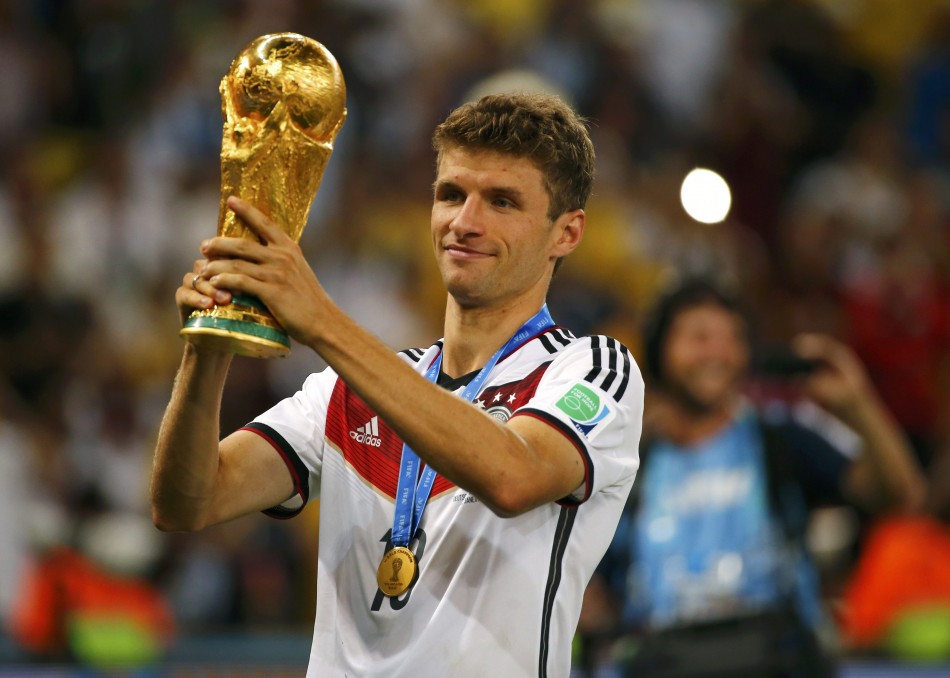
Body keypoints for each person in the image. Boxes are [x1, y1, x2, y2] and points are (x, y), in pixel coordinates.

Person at [150, 92, 644, 677]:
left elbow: (515, 476)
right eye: (451, 195)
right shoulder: (348, 387)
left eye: (502, 202)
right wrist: (210, 344)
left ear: (567, 233)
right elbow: (188, 501)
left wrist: (323, 321)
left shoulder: (591, 368)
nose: (465, 222)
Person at [586, 277, 925, 677]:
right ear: (660, 351)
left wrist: (857, 404)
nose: (718, 353)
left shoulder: (782, 437)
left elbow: (901, 495)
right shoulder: (627, 462)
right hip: (662, 661)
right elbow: (592, 587)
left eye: (732, 339)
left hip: (775, 662)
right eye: (699, 337)